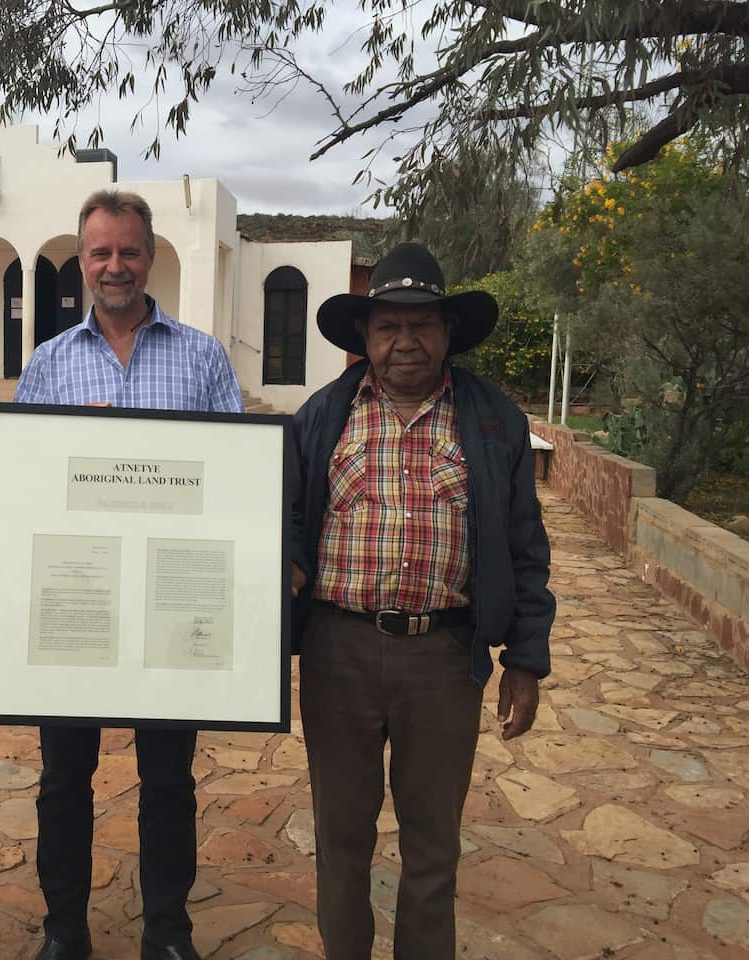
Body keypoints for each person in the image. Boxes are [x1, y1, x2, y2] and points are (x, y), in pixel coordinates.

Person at [289, 242, 555, 960]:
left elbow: (527, 547)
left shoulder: (493, 422)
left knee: (432, 847)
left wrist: (526, 657)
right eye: (388, 326)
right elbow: (281, 517)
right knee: (341, 839)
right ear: (366, 337)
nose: (405, 341)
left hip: (444, 660)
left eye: (422, 325)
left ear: (447, 333)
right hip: (336, 652)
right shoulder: (322, 418)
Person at [14, 189, 242, 960]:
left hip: (170, 604)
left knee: (169, 781)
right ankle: (63, 930)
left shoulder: (204, 357)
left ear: (151, 256)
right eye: (101, 252)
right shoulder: (47, 364)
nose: (116, 265)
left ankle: (168, 934)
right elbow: (23, 493)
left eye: (129, 250)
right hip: (77, 601)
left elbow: (234, 485)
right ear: (82, 262)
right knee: (61, 780)